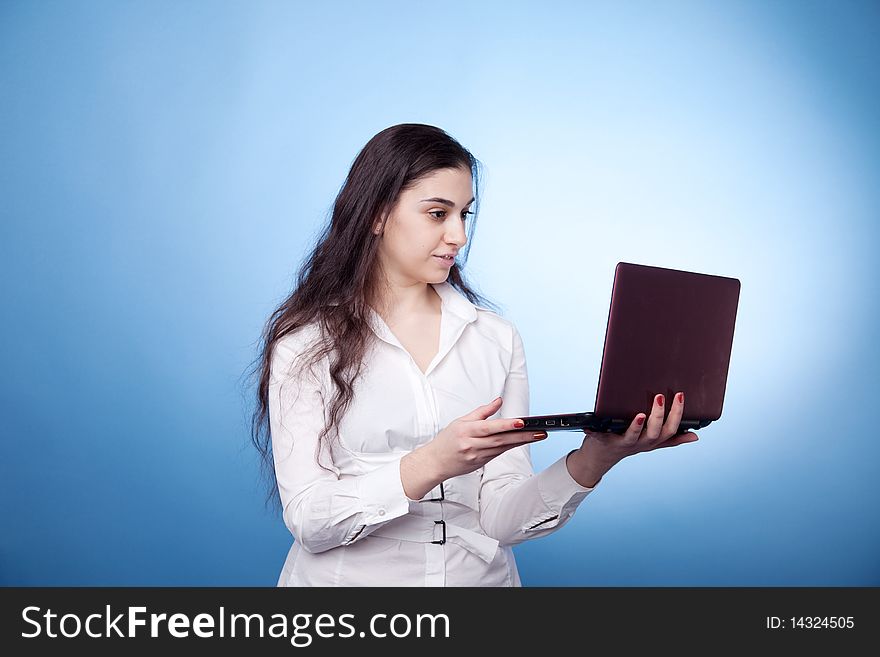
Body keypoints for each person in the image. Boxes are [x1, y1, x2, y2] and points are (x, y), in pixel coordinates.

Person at [249, 123, 699, 586]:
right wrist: (433, 462)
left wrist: (596, 457)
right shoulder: (306, 342)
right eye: (438, 213)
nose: (459, 235)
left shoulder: (495, 338)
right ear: (378, 214)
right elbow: (309, 520)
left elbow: (501, 519)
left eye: (465, 214)